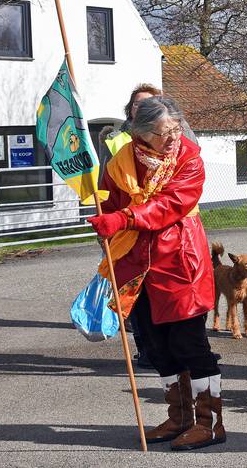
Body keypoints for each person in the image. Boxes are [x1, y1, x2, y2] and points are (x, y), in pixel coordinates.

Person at [86, 96, 226, 451]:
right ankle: (179, 418)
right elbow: (112, 200)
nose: (173, 137)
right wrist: (106, 218)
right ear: (143, 134)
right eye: (165, 132)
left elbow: (173, 204)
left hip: (181, 262)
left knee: (188, 343)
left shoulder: (189, 158)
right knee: (153, 343)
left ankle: (209, 424)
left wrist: (125, 217)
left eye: (176, 128)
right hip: (137, 262)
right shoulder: (121, 161)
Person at [99, 83, 163, 370]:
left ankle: (172, 349)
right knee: (133, 294)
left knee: (161, 294)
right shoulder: (116, 141)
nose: (144, 108)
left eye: (150, 103)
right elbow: (104, 187)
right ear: (131, 109)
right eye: (139, 104)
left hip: (162, 231)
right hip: (126, 230)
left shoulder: (170, 137)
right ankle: (146, 350)